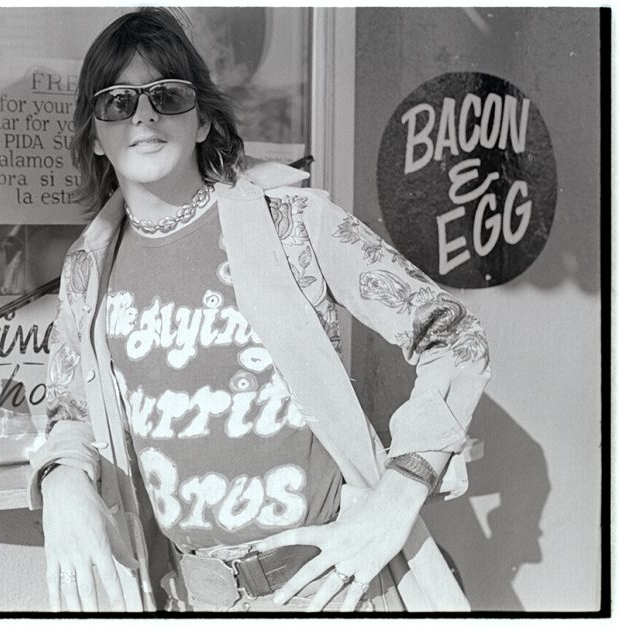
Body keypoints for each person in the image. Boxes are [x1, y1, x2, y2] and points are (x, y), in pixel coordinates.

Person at [28, 7, 490, 613]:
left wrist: (396, 499)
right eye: (117, 101)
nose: (142, 115)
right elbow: (72, 405)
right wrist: (62, 483)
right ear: (94, 133)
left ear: (200, 121)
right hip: (196, 598)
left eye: (167, 95)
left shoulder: (292, 224)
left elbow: (454, 337)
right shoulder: (90, 268)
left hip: (334, 589)